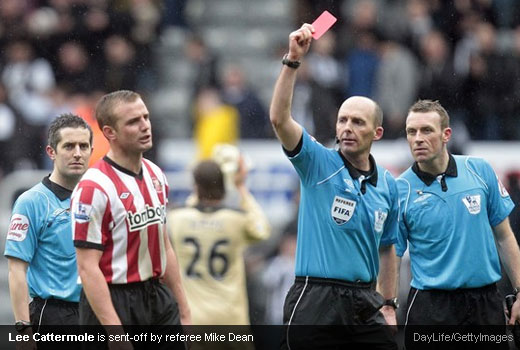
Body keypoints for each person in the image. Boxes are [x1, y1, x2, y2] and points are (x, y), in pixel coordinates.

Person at [269, 23, 399, 349]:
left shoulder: (388, 185)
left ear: (377, 133)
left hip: (366, 302)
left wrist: (389, 303)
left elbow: (388, 249)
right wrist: (292, 61)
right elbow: (280, 119)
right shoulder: (317, 163)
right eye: (343, 120)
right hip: (317, 298)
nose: (347, 128)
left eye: (357, 122)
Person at [70, 90, 191, 349]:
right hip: (113, 299)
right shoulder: (93, 188)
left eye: (145, 117)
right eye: (133, 121)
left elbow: (164, 244)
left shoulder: (156, 174)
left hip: (156, 296)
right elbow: (87, 268)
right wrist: (115, 333)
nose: (145, 126)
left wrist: (184, 309)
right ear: (110, 132)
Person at [396, 100, 520, 349]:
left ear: (446, 134)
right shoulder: (399, 190)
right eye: (412, 132)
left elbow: (505, 236)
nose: (418, 138)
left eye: (427, 130)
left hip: (485, 305)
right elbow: (391, 255)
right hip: (431, 309)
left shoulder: (480, 170)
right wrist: (386, 305)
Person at [4, 114, 93, 339]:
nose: (77, 153)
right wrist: (23, 330)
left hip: (95, 311)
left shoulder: (98, 198)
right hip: (53, 316)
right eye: (69, 146)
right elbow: (16, 270)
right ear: (51, 152)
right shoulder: (31, 202)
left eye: (84, 146)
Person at [168, 158, 270, 325]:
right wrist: (241, 187)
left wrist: (200, 187)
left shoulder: (177, 218)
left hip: (192, 318)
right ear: (223, 187)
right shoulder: (236, 220)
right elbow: (262, 230)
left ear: (195, 186)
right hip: (230, 318)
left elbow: (192, 206)